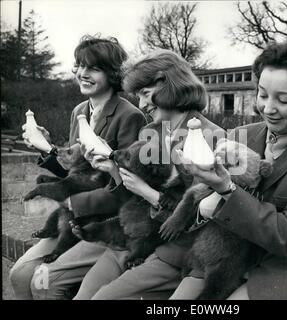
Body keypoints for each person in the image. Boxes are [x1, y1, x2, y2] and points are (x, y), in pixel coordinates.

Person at [170, 41, 287, 300]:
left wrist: (226, 189)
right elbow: (203, 203)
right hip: (231, 255)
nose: (268, 108)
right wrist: (191, 177)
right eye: (262, 94)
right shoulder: (243, 135)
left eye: (283, 100)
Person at [73, 49, 225, 300]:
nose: (142, 105)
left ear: (172, 86)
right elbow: (130, 195)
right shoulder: (152, 130)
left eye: (145, 94)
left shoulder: (212, 137)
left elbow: (200, 219)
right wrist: (112, 169)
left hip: (176, 252)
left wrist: (148, 192)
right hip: (137, 239)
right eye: (138, 96)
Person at [9, 35, 147, 300]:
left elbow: (129, 188)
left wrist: (75, 204)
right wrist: (46, 149)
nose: (83, 73)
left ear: (112, 73)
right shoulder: (79, 111)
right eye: (80, 65)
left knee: (46, 282)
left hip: (108, 223)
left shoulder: (130, 116)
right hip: (74, 219)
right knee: (20, 274)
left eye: (93, 68)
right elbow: (76, 175)